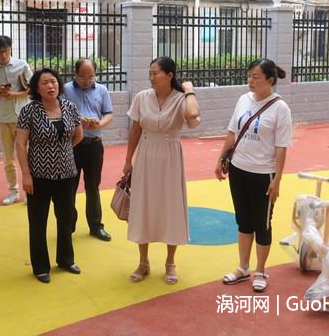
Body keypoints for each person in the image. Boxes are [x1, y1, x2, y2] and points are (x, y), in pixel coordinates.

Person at [215, 58, 292, 293]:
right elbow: (232, 132)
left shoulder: (280, 108)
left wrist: (277, 180)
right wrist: (221, 158)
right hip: (238, 169)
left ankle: (260, 271)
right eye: (249, 76)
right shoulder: (243, 100)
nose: (250, 80)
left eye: (256, 77)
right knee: (244, 221)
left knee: (262, 224)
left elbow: (281, 147)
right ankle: (243, 268)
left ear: (270, 80)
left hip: (263, 174)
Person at [122, 57, 200, 285]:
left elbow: (193, 115)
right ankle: (143, 262)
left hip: (170, 156)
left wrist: (189, 90)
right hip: (146, 153)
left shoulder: (181, 99)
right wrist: (128, 160)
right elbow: (135, 130)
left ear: (170, 75)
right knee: (143, 205)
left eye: (156, 73)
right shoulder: (142, 97)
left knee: (171, 206)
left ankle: (170, 262)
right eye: (150, 73)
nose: (151, 77)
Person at [15, 68, 84, 283]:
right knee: (38, 222)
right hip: (38, 175)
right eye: (44, 83)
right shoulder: (29, 111)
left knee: (66, 219)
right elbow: (20, 144)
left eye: (53, 81)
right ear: (37, 88)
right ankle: (40, 266)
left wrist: (62, 152)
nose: (50, 86)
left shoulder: (70, 107)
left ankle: (66, 259)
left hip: (67, 174)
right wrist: (26, 174)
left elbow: (78, 136)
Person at [63, 59, 114, 241]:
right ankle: (68, 226)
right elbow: (60, 111)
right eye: (82, 76)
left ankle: (96, 226)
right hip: (72, 145)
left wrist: (99, 123)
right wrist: (78, 119)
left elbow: (109, 113)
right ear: (75, 74)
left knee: (93, 186)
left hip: (94, 144)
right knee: (70, 187)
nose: (86, 80)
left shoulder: (102, 90)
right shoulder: (65, 89)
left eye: (91, 77)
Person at [0, 35, 33, 205]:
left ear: (10, 49)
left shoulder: (22, 65)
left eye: (5, 51)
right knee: (8, 158)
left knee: (28, 155)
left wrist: (14, 95)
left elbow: (32, 90)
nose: (3, 55)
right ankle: (13, 191)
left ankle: (30, 192)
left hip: (24, 118)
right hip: (3, 118)